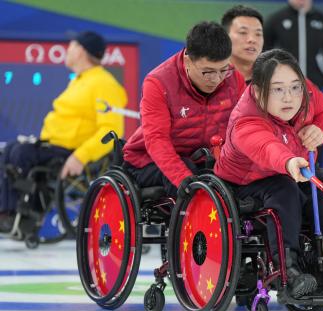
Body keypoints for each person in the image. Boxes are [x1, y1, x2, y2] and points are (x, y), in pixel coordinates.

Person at [214, 49, 323, 299]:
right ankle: (287, 271)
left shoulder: (305, 94)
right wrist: (289, 161)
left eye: (295, 87)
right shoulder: (245, 120)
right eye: (277, 89)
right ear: (258, 92)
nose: (289, 97)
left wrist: (319, 129)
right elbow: (267, 148)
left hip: (293, 171)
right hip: (245, 183)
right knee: (284, 190)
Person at [0, 31, 127, 233]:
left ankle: (21, 214)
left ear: (81, 51)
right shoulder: (79, 81)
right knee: (9, 150)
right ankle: (8, 213)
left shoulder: (104, 84)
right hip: (53, 144)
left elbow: (111, 130)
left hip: (71, 151)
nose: (67, 50)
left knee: (20, 154)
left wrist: (79, 157)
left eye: (72, 46)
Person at [122, 21, 245, 196]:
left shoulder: (234, 79)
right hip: (147, 162)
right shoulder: (158, 83)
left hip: (205, 161)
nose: (217, 79)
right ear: (188, 59)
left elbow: (245, 127)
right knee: (188, 174)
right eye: (208, 72)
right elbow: (157, 140)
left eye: (224, 69)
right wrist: (185, 180)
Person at [264, 0, 323, 102]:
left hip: (315, 87)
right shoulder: (276, 20)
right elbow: (263, 56)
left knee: (313, 116)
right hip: (283, 88)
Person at [221, 5, 264, 82]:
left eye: (258, 34)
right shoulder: (212, 80)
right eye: (243, 32)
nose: (252, 39)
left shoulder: (271, 79)